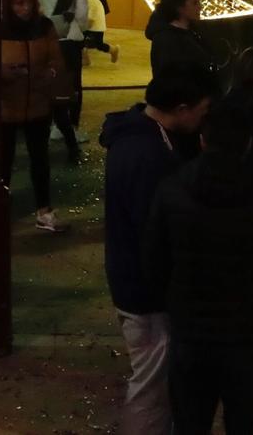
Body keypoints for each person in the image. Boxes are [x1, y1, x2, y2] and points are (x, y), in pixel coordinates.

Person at [143, 105, 253, 435]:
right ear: (247, 143)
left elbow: (153, 258)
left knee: (190, 423)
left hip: (189, 328)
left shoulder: (173, 187)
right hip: (243, 329)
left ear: (203, 141)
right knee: (245, 422)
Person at [102, 67, 214, 434]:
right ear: (181, 109)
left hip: (138, 284)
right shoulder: (146, 155)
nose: (203, 119)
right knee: (151, 390)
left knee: (154, 386)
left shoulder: (143, 138)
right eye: (201, 110)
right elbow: (154, 233)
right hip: (145, 293)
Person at [1, 0, 69, 231]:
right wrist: (5, 73)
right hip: (6, 106)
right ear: (8, 4)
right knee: (3, 160)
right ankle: (1, 208)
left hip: (38, 103)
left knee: (40, 159)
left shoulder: (43, 26)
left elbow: (55, 59)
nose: (25, 8)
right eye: (18, 3)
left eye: (28, 2)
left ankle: (44, 210)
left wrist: (49, 73)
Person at [34, 0, 91, 163]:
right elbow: (82, 10)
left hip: (49, 37)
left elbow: (37, 5)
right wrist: (80, 27)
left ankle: (55, 126)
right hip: (71, 36)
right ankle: (72, 126)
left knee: (50, 81)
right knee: (73, 83)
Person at [146, 0, 214, 77]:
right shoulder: (165, 39)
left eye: (199, 1)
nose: (200, 7)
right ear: (179, 7)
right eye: (195, 2)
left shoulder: (195, 32)